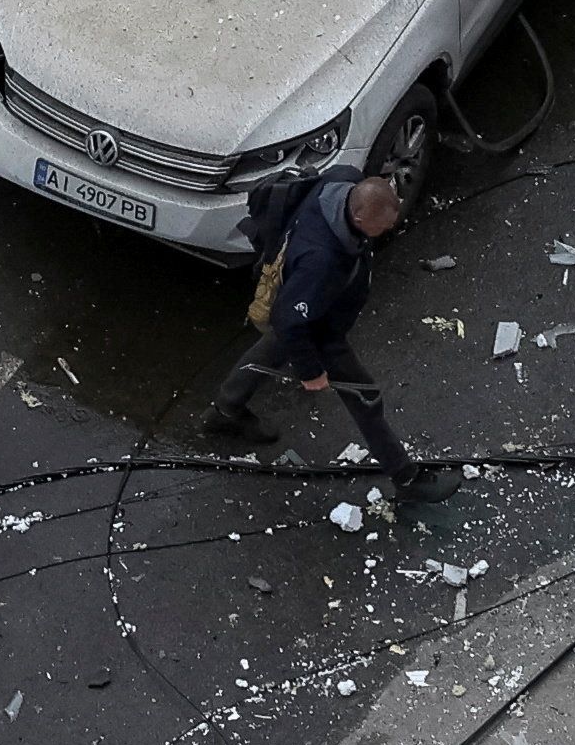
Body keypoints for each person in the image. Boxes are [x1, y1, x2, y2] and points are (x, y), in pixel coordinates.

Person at [194, 167, 456, 498]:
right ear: (358, 217)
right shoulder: (321, 261)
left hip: (303, 298)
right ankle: (406, 478)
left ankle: (225, 410)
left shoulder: (342, 179)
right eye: (382, 225)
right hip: (318, 326)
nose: (389, 228)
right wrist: (311, 372)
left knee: (272, 348)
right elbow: (289, 319)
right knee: (365, 396)